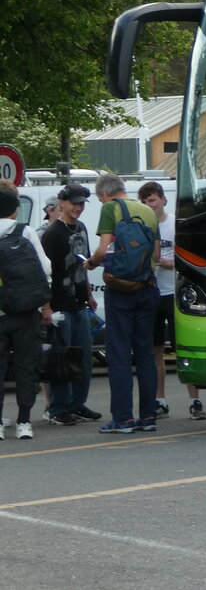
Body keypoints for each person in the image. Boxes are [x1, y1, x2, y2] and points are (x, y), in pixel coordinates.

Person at [85, 173, 160, 435]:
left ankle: (123, 419)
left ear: (104, 194)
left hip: (121, 290)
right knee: (145, 353)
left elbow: (103, 250)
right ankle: (149, 416)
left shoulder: (110, 208)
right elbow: (157, 254)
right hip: (147, 286)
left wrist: (90, 263)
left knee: (118, 353)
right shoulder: (148, 211)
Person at [137, 181, 206, 420]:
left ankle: (195, 400)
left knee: (182, 348)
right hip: (153, 294)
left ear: (163, 200)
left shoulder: (174, 225)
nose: (150, 205)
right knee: (156, 349)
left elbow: (187, 259)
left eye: (153, 200)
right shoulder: (143, 226)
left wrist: (165, 262)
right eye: (145, 202)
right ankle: (160, 400)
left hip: (174, 293)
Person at [39, 182, 101, 425]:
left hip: (78, 302)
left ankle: (77, 403)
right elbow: (44, 273)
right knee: (62, 358)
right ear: (62, 203)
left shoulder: (82, 228)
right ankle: (58, 407)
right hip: (59, 305)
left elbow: (82, 264)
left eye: (81, 203)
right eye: (74, 203)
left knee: (83, 357)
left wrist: (89, 294)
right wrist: (47, 307)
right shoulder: (53, 234)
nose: (78, 207)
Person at [0, 183, 53, 440]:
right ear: (14, 210)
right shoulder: (26, 231)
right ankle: (24, 422)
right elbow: (45, 268)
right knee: (25, 367)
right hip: (25, 312)